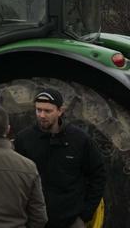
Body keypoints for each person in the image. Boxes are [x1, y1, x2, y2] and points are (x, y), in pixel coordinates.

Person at [14, 89, 106, 228]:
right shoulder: (24, 139)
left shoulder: (79, 140)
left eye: (47, 111)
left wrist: (85, 215)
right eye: (38, 110)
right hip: (33, 221)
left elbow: (98, 175)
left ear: (60, 111)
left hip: (71, 221)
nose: (42, 115)